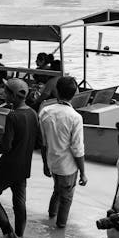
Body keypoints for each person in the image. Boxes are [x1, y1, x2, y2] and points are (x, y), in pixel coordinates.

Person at [0, 78, 41, 238]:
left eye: (6, 91)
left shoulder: (12, 116)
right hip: (24, 166)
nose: (3, 93)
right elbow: (38, 143)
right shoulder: (33, 113)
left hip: (8, 165)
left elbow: (7, 147)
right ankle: (20, 235)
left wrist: (0, 135)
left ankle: (8, 232)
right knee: (19, 202)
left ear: (13, 96)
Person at [39, 76, 87, 227]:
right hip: (67, 168)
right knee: (66, 199)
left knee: (57, 191)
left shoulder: (45, 112)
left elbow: (43, 143)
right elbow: (77, 149)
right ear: (74, 94)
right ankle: (60, 227)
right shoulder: (75, 117)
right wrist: (83, 173)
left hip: (52, 162)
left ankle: (51, 216)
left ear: (57, 92)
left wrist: (45, 164)